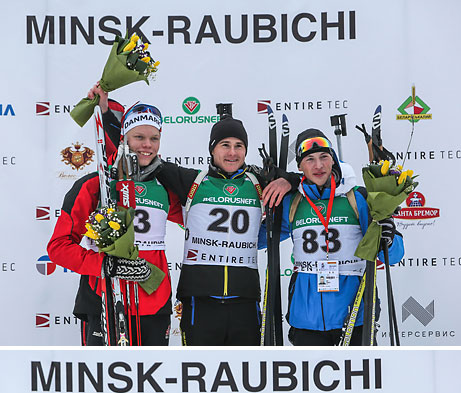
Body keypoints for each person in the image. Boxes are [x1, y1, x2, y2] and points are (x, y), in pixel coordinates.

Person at [140, 115, 292, 346]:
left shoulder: (259, 182)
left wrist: (287, 180)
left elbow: (310, 177)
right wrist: (108, 114)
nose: (233, 153)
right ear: (212, 149)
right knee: (200, 374)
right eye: (225, 145)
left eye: (239, 146)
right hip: (200, 301)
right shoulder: (193, 180)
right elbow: (145, 158)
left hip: (245, 300)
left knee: (245, 374)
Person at [48, 98, 183, 345]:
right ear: (123, 139)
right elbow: (58, 248)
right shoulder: (94, 186)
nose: (147, 145)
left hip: (154, 302)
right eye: (138, 137)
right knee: (102, 382)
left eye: (154, 138)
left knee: (152, 381)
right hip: (104, 299)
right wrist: (104, 266)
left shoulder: (166, 187)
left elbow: (205, 220)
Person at [275, 128, 403, 345]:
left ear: (333, 160)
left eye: (324, 157)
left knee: (361, 379)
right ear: (299, 167)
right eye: (310, 159)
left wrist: (389, 238)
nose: (318, 165)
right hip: (306, 318)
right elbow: (255, 240)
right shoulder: (292, 202)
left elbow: (395, 254)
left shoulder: (357, 197)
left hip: (355, 314)